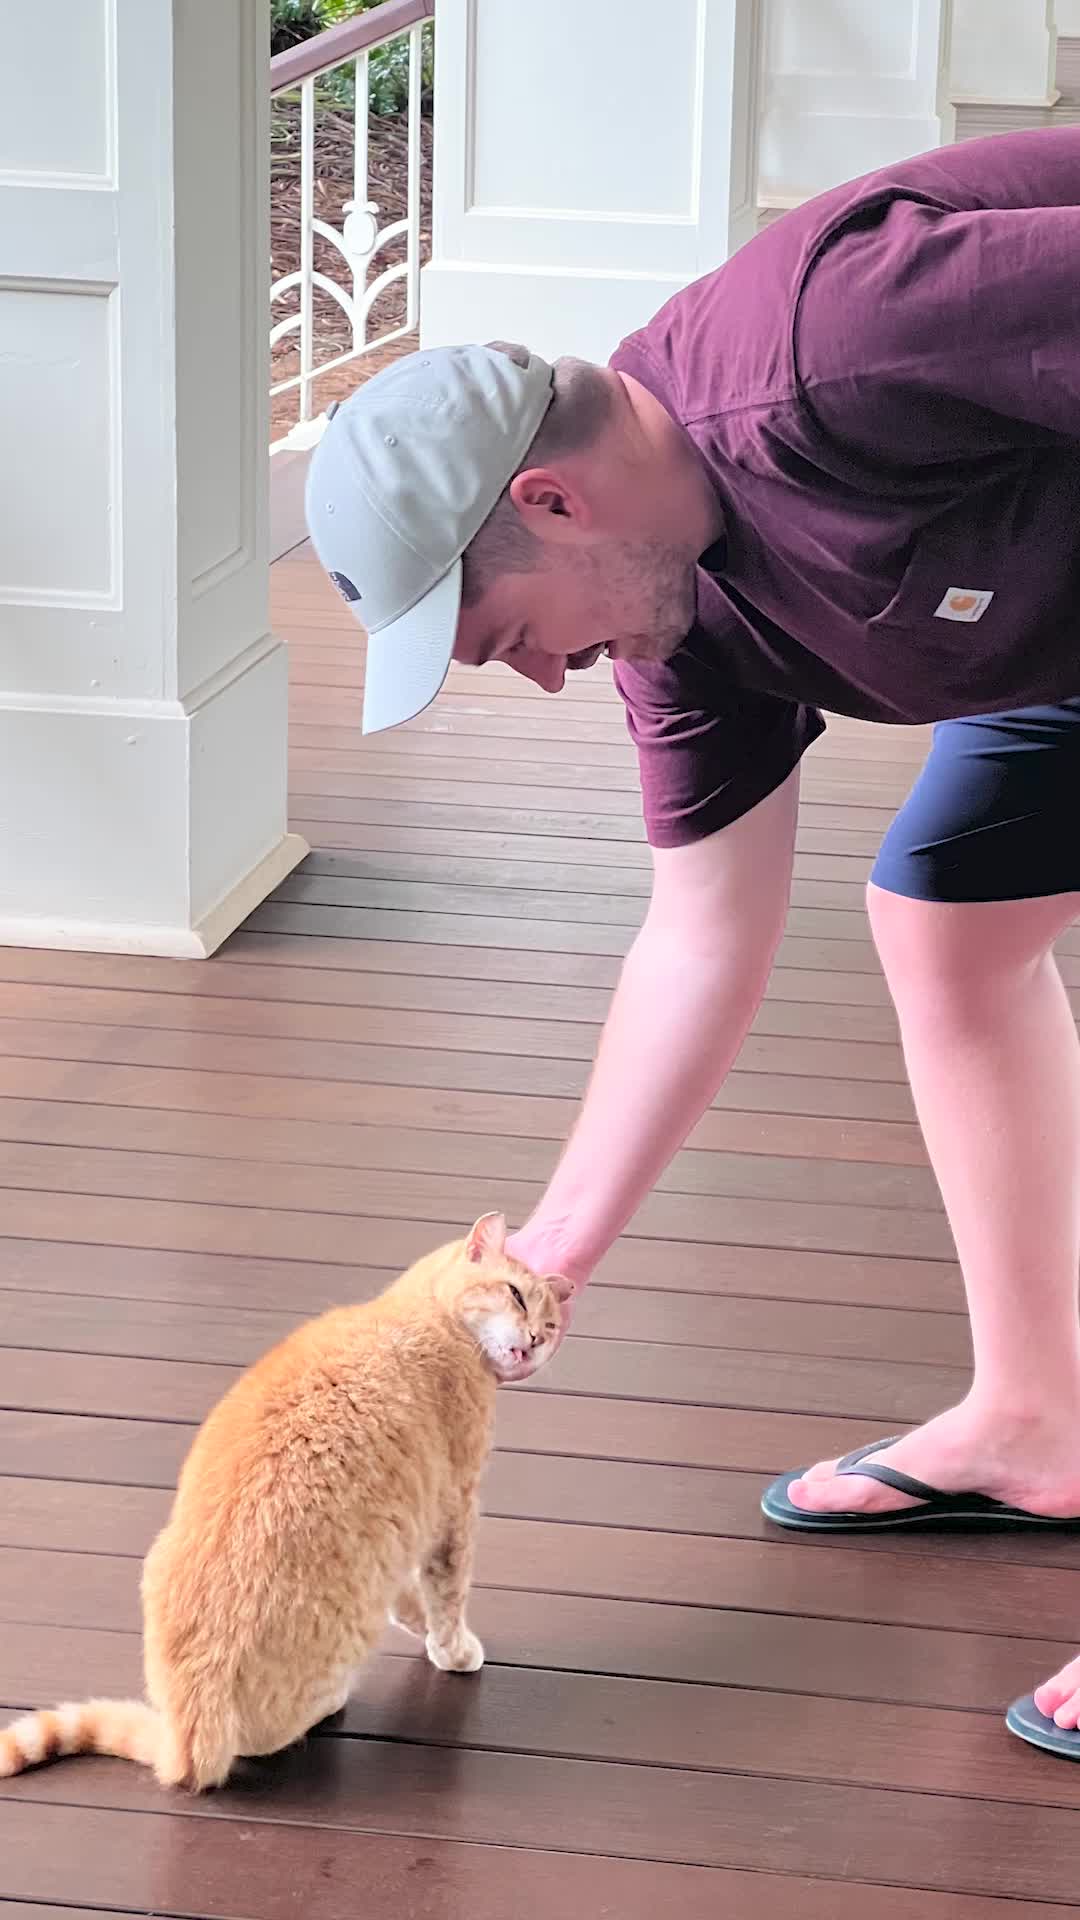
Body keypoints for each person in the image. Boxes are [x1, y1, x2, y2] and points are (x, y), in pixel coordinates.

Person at [305, 125, 1080, 1759]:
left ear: (553, 500)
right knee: (953, 926)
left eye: (507, 632)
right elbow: (702, 933)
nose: (542, 678)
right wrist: (546, 1263)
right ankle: (1035, 1420)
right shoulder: (678, 617)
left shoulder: (840, 351)